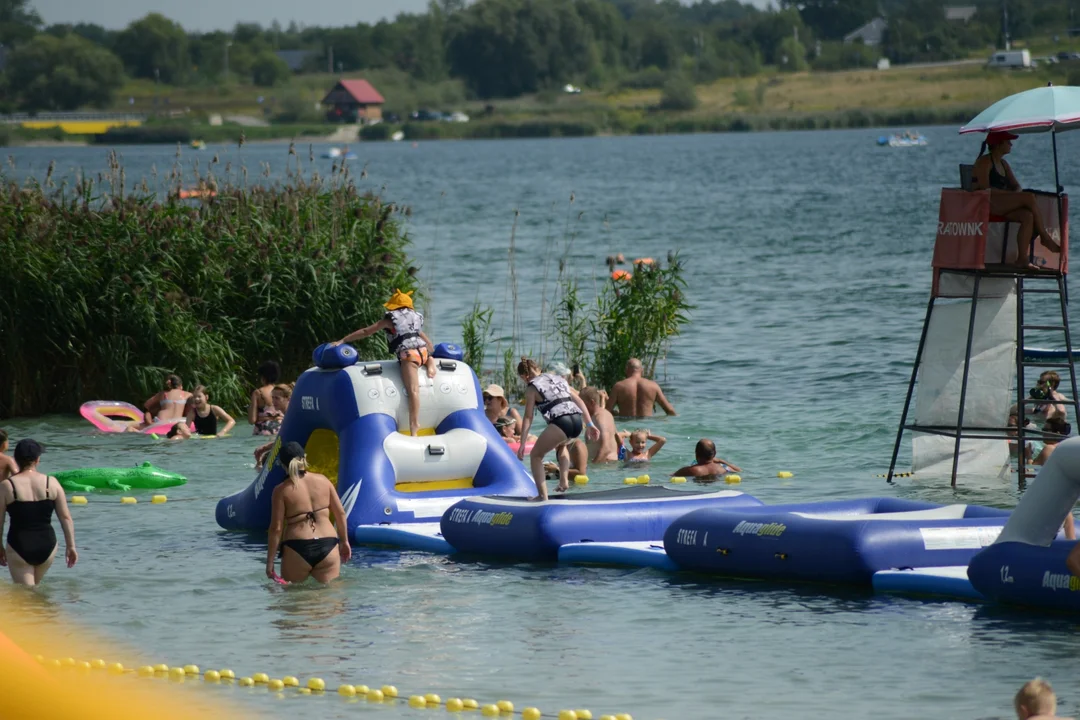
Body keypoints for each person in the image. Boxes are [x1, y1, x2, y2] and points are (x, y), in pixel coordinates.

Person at [330, 289, 437, 437]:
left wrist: (343, 340)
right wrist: (431, 352)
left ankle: (414, 424)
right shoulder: (416, 317)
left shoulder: (390, 320)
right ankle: (429, 362)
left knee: (413, 391)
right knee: (424, 357)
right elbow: (425, 339)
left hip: (409, 356)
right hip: (423, 353)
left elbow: (366, 331)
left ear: (393, 306)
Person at [972, 131, 1061, 270]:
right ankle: (1044, 237)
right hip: (988, 204)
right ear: (998, 144)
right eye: (1008, 142)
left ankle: (1022, 259)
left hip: (1003, 203)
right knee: (1029, 197)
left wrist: (1014, 194)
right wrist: (1010, 195)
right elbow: (984, 189)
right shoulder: (984, 162)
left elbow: (1017, 185)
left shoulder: (1004, 164)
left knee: (1028, 216)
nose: (1011, 145)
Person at [265, 442, 351, 584]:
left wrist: (270, 562)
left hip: (297, 548)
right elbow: (340, 513)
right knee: (332, 600)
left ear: (282, 464)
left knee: (294, 600)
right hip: (328, 545)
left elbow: (276, 529)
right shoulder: (323, 480)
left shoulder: (281, 490)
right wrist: (344, 541)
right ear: (304, 458)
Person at [516, 357, 600, 500]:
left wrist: (522, 443)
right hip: (577, 422)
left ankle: (542, 497)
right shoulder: (559, 379)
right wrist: (590, 424)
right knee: (562, 446)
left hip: (562, 422)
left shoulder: (532, 387)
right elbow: (579, 400)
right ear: (538, 369)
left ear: (524, 376)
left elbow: (528, 417)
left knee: (536, 455)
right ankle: (564, 481)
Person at [0, 440, 76, 586]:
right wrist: (71, 546)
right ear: (37, 459)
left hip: (19, 544)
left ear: (16, 459)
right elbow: (65, 517)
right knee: (35, 591)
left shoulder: (6, 486)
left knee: (26, 595)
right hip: (47, 545)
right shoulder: (51, 482)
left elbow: (0, 520)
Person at [607, 358, 676, 417]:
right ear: (642, 370)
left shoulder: (618, 386)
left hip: (626, 425)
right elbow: (670, 411)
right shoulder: (653, 386)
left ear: (626, 370)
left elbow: (607, 412)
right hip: (647, 426)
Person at [169, 385, 236, 439]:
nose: (196, 399)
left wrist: (223, 432)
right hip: (199, 440)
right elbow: (186, 430)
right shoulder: (192, 413)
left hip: (213, 439)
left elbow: (231, 421)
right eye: (194, 397)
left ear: (206, 397)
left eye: (199, 396)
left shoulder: (214, 409)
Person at [254, 384, 293, 468]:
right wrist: (264, 448)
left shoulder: (291, 415)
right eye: (273, 398)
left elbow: (286, 440)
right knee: (263, 461)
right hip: (291, 450)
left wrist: (264, 448)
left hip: (295, 453)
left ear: (288, 399)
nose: (273, 401)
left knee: (265, 461)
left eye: (277, 398)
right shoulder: (286, 414)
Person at [672, 439, 741, 481]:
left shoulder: (690, 470)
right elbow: (739, 471)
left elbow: (670, 476)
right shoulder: (723, 468)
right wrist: (721, 461)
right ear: (715, 453)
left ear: (696, 453)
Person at [249, 360, 283, 435]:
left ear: (263, 377)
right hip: (281, 428)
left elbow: (252, 420)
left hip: (264, 430)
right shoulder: (282, 391)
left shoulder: (258, 393)